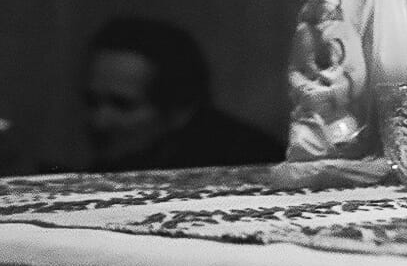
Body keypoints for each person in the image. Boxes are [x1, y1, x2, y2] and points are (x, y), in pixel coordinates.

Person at [82, 16, 282, 171]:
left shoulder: (249, 163)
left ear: (180, 110)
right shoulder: (117, 163)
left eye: (123, 105)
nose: (99, 122)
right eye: (91, 102)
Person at [285, 0, 369, 160]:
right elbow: (294, 70)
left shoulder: (347, 33)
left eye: (327, 4)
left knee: (346, 138)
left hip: (338, 113)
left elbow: (357, 74)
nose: (323, 9)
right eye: (318, 3)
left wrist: (331, 92)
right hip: (310, 115)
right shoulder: (304, 32)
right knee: (301, 142)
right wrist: (304, 87)